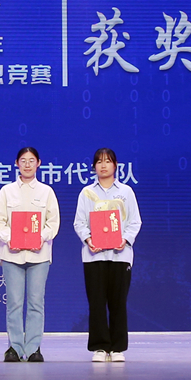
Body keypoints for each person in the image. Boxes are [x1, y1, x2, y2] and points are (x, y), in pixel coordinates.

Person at [73, 148, 142, 363]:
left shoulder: (126, 192)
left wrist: (125, 240)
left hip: (120, 255)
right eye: (99, 162)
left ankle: (118, 348)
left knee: (118, 302)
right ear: (94, 166)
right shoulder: (86, 193)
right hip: (94, 256)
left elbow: (135, 222)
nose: (103, 165)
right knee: (96, 302)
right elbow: (79, 222)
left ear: (115, 165)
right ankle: (100, 347)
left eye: (108, 161)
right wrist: (88, 240)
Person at [0, 147, 60, 362]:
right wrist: (9, 238)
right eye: (23, 160)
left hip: (39, 255)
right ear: (16, 163)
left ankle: (33, 348)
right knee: (14, 303)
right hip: (12, 255)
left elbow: (53, 222)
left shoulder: (46, 192)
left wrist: (40, 238)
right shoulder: (6, 191)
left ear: (38, 163)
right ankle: (14, 347)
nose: (27, 165)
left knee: (36, 303)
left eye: (31, 160)